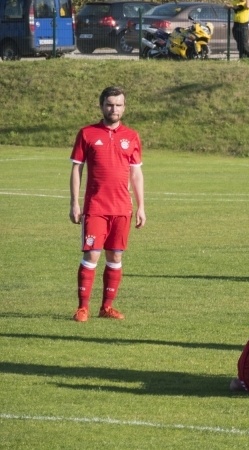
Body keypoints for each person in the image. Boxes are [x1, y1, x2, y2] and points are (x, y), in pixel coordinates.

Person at [69, 86, 146, 323]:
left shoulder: (131, 136)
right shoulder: (87, 133)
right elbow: (76, 169)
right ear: (102, 106)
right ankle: (83, 308)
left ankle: (107, 307)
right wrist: (74, 203)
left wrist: (141, 206)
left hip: (122, 209)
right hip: (96, 208)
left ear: (124, 107)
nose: (114, 109)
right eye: (110, 104)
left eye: (118, 105)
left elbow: (136, 174)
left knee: (115, 256)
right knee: (91, 255)